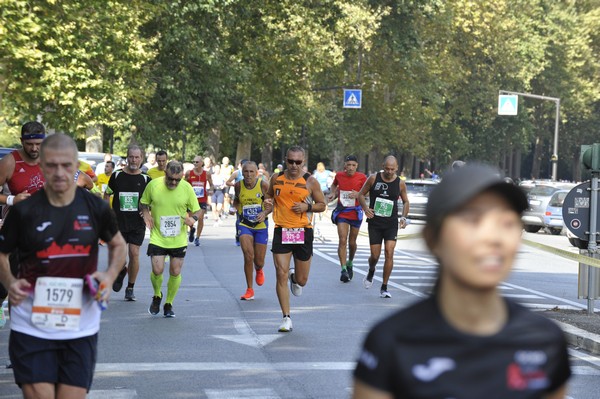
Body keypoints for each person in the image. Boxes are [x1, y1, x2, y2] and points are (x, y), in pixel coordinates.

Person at [353, 164, 571, 399]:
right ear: (432, 238)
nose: (492, 238)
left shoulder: (544, 341)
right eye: (473, 221)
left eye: (506, 223)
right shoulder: (390, 342)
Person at [0, 133, 126, 399]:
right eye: (52, 165)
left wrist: (109, 274)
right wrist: (10, 282)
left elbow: (118, 244)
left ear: (76, 166)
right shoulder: (24, 211)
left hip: (80, 324)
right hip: (31, 322)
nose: (59, 172)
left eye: (66, 165)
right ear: (42, 166)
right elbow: (2, 254)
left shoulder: (95, 208)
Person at [265, 146, 326, 332]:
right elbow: (268, 197)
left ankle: (295, 277)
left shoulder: (311, 182)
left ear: (303, 162)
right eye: (290, 161)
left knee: (302, 280)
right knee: (280, 273)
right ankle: (286, 317)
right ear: (285, 159)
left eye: (298, 162)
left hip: (303, 231)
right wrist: (266, 203)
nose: (293, 165)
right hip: (281, 230)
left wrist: (306, 208)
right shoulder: (276, 178)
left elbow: (322, 205)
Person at [140, 160, 200, 318]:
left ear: (182, 177)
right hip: (158, 236)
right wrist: (146, 214)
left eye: (177, 180)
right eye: (170, 179)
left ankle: (168, 303)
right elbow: (143, 203)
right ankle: (157, 295)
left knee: (175, 271)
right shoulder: (153, 185)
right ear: (165, 173)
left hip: (178, 238)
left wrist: (193, 218)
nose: (173, 182)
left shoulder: (186, 188)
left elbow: (198, 210)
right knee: (157, 269)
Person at [0, 122, 47, 323]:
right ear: (22, 142)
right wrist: (12, 199)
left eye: (38, 144)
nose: (35, 149)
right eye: (30, 145)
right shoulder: (10, 162)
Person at [357, 155, 409, 298]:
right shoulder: (374, 178)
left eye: (392, 169)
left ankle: (384, 287)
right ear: (383, 166)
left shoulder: (400, 183)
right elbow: (361, 195)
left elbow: (405, 202)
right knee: (375, 255)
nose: (389, 172)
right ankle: (371, 269)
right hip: (375, 222)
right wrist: (366, 209)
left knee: (389, 253)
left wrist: (404, 217)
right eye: (387, 168)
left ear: (397, 168)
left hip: (391, 223)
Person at [105, 145, 151, 301]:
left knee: (134, 253)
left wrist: (146, 212)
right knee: (120, 256)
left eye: (137, 157)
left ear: (141, 159)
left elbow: (151, 201)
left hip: (137, 223)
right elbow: (107, 194)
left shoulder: (146, 179)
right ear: (127, 158)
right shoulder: (117, 176)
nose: (134, 160)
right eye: (131, 157)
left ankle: (130, 287)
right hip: (118, 222)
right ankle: (121, 270)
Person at [233, 161, 271, 300]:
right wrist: (235, 209)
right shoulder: (238, 185)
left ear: (256, 173)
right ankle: (249, 289)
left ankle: (259, 269)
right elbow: (236, 201)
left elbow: (271, 205)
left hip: (261, 226)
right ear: (242, 173)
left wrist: (264, 213)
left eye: (251, 172)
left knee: (259, 261)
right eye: (246, 172)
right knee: (248, 256)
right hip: (245, 224)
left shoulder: (263, 185)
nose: (248, 175)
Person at [328, 155, 367, 282]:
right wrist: (333, 193)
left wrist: (359, 194)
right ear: (345, 165)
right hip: (343, 212)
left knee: (352, 242)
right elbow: (334, 186)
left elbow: (369, 191)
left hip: (355, 212)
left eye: (353, 165)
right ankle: (343, 269)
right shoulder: (339, 175)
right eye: (348, 165)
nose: (350, 168)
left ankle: (350, 262)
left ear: (357, 166)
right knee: (342, 239)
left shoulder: (362, 177)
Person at [185, 156, 213, 246]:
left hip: (202, 199)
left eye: (197, 162)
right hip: (191, 200)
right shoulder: (189, 173)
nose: (195, 163)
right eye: (194, 162)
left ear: (202, 163)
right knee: (190, 218)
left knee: (200, 218)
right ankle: (192, 229)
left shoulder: (207, 174)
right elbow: (183, 184)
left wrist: (211, 189)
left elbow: (211, 185)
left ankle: (197, 238)